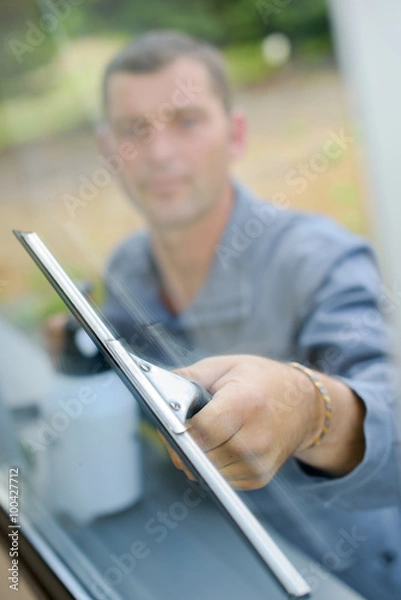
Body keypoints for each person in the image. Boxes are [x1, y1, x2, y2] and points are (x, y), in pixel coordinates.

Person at [47, 31, 401, 599]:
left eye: (186, 121)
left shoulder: (322, 259)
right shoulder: (127, 270)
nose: (160, 153)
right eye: (135, 130)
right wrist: (80, 354)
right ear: (108, 149)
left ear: (234, 133)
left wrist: (310, 408)